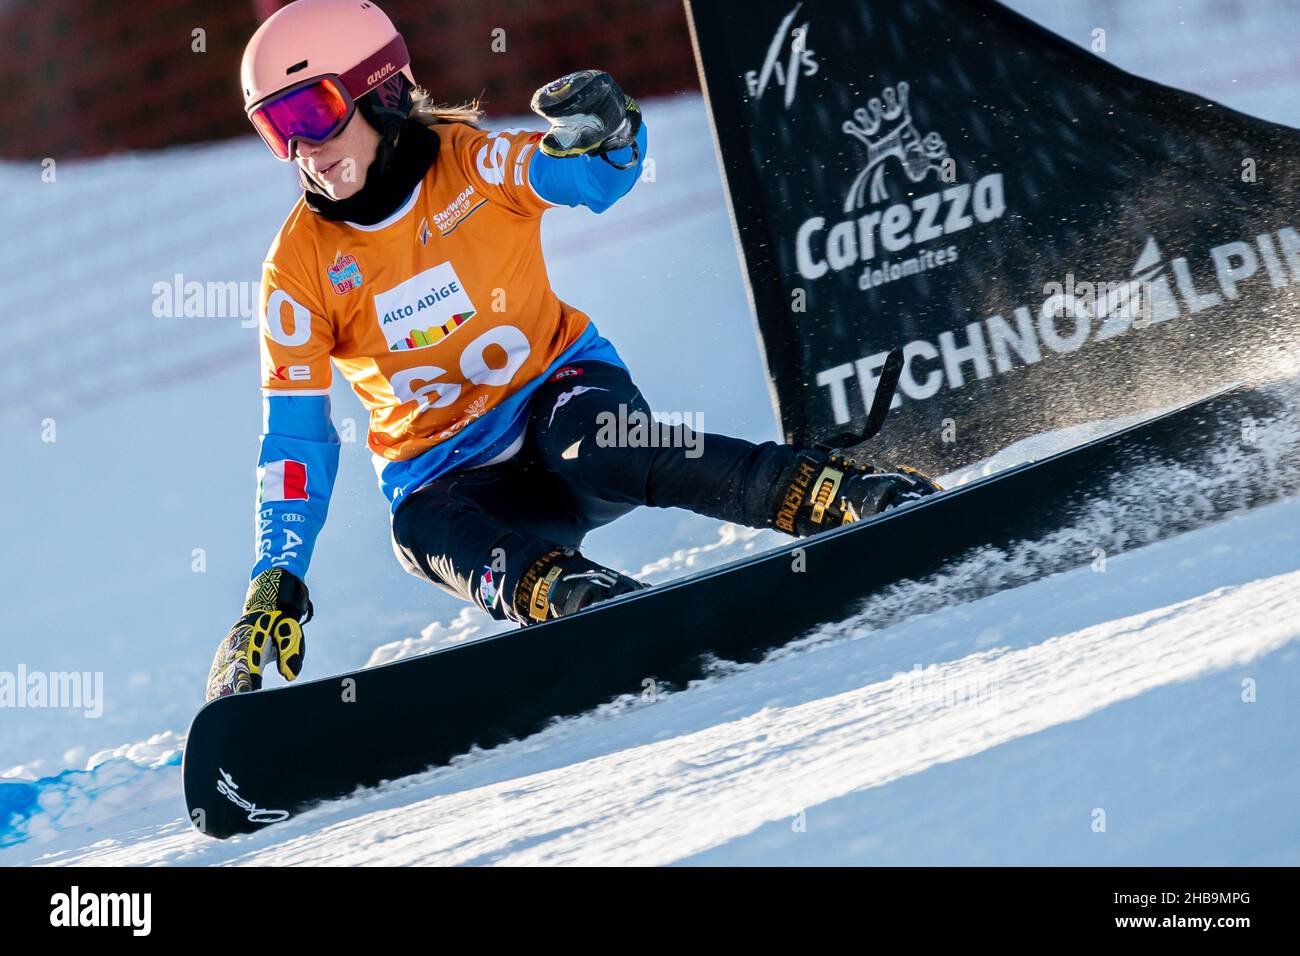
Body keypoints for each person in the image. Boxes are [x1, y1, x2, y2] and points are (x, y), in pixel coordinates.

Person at [206, 0, 940, 700]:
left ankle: (829, 494)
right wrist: (273, 576)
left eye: (313, 112)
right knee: (415, 527)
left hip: (564, 400)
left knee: (600, 444)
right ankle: (571, 600)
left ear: (379, 89)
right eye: (277, 129)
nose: (303, 148)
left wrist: (612, 134)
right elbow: (297, 438)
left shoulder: (471, 166)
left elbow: (586, 176)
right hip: (460, 484)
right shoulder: (298, 268)